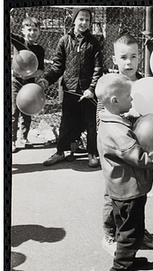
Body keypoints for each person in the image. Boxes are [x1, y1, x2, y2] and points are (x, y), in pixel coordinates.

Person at [96, 73, 153, 271]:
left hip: (127, 189)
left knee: (132, 229)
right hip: (127, 191)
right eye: (129, 97)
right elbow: (140, 158)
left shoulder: (113, 121)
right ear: (115, 100)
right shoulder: (116, 131)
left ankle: (127, 260)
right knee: (130, 232)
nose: (132, 100)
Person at [100, 33, 153, 256]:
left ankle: (137, 230)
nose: (129, 62)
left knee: (138, 196)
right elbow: (104, 118)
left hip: (140, 149)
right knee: (114, 195)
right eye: (123, 57)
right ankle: (110, 231)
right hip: (118, 153)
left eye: (134, 56)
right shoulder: (111, 85)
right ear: (114, 59)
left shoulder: (146, 84)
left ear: (139, 59)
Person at [38, 7, 103, 168]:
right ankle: (60, 152)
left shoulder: (94, 42)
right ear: (74, 20)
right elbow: (57, 66)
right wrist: (46, 80)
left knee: (90, 124)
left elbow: (98, 68)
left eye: (87, 20)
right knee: (66, 123)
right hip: (69, 90)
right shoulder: (64, 40)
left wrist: (92, 89)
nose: (84, 22)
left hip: (87, 91)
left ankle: (92, 153)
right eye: (81, 19)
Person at [11, 17, 45, 153]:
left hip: (30, 84)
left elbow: (41, 70)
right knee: (13, 111)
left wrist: (28, 75)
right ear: (23, 30)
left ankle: (23, 138)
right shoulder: (19, 41)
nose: (32, 33)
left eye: (35, 30)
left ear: (39, 32)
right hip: (16, 82)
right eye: (29, 29)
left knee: (27, 111)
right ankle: (12, 140)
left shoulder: (40, 49)